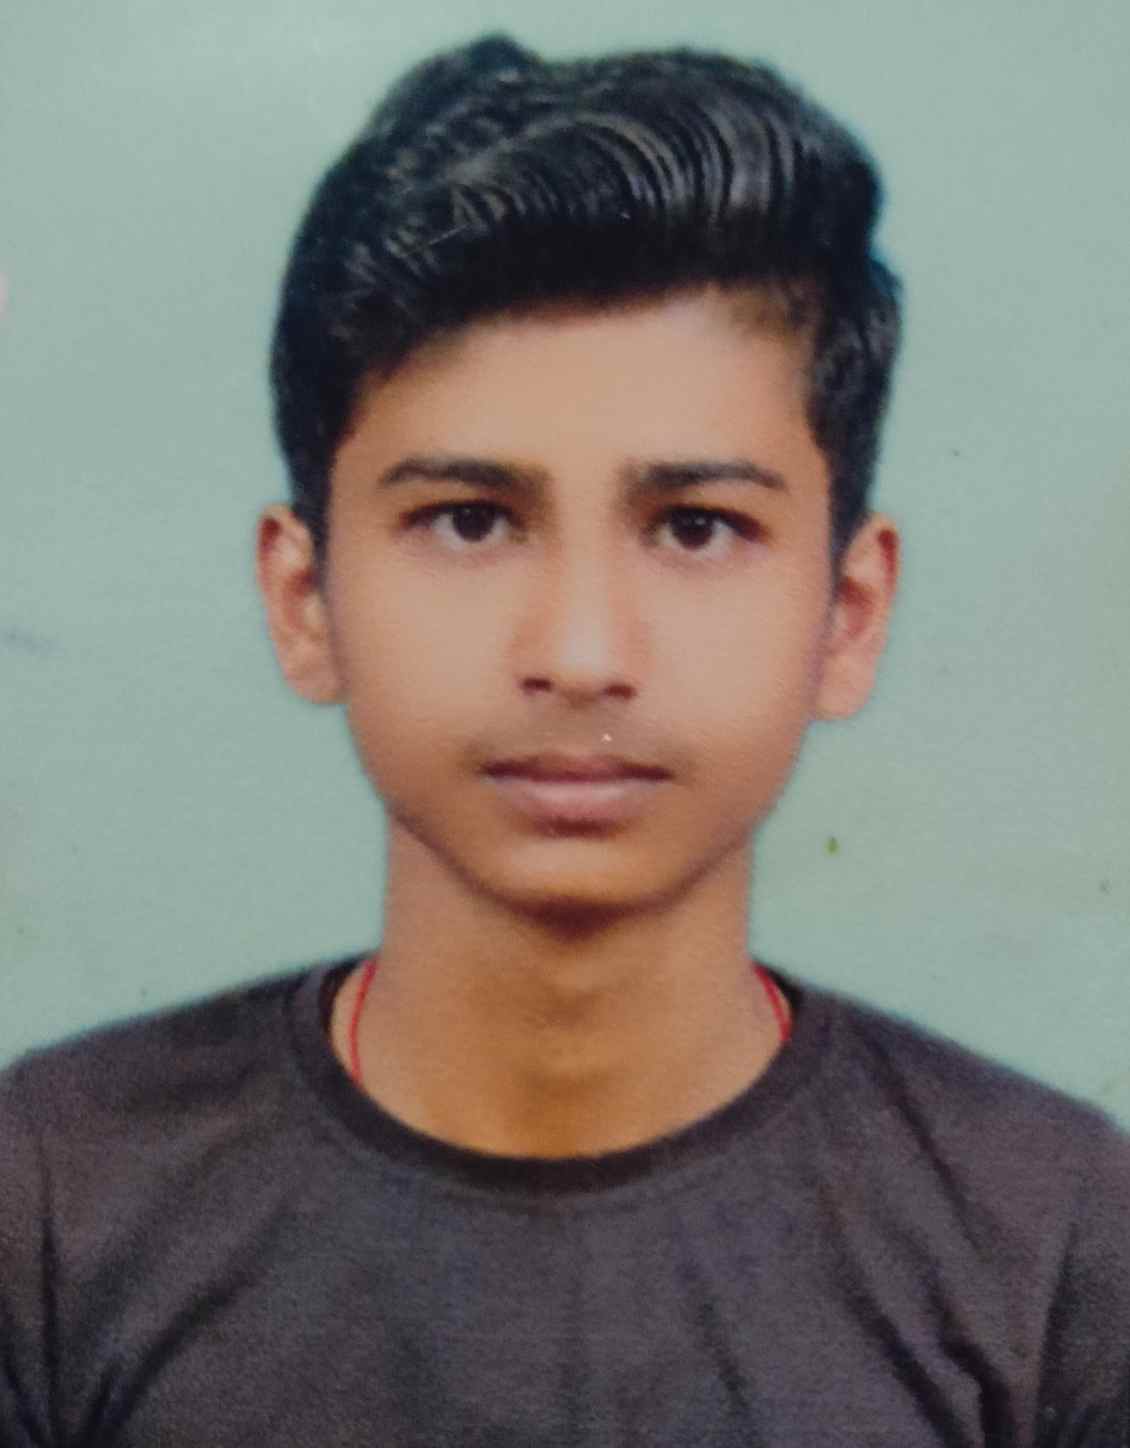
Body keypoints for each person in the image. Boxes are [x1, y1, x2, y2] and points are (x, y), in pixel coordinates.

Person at [2, 32, 1127, 1447]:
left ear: (847, 613)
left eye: (696, 528)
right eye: (470, 520)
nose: (582, 652)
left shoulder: (1059, 1243)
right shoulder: (45, 1200)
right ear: (305, 599)